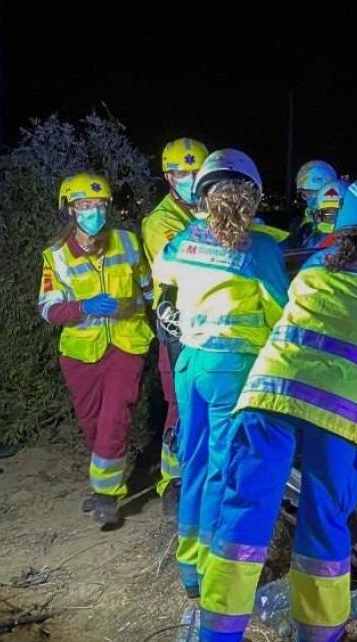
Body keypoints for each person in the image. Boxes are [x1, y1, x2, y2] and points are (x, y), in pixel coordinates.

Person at [197, 176, 357, 642]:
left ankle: (215, 633)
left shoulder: (318, 261)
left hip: (268, 396)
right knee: (323, 526)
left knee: (242, 514)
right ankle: (318, 635)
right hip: (340, 411)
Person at [153, 149, 289, 597]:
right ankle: (214, 568)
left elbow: (163, 272)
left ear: (203, 195)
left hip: (190, 364)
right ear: (252, 197)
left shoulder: (185, 239)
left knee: (193, 464)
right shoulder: (260, 248)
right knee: (223, 470)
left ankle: (189, 567)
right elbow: (281, 313)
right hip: (233, 371)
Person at [38, 171, 154, 526]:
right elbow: (48, 309)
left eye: (100, 204)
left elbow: (149, 287)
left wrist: (157, 311)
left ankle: (106, 494)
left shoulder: (128, 242)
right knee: (92, 423)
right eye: (86, 205)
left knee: (115, 416)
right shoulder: (56, 256)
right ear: (71, 210)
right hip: (80, 352)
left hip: (127, 341)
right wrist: (83, 306)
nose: (95, 212)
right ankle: (104, 477)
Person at [142, 137, 210, 518]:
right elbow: (187, 261)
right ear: (169, 177)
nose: (192, 179)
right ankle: (173, 481)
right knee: (181, 403)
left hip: (212, 318)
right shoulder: (161, 222)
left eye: (197, 172)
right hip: (177, 322)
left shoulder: (211, 209)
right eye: (183, 173)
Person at [293, 159, 345, 249]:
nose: (312, 199)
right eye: (307, 193)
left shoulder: (345, 221)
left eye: (317, 192)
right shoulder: (299, 225)